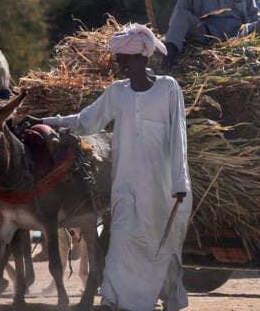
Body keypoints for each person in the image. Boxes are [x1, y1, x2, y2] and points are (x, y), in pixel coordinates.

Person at [39, 24, 191, 311]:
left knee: (162, 247)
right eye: (119, 58)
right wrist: (50, 121)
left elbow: (178, 137)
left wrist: (180, 182)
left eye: (125, 58)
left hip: (164, 188)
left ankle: (171, 298)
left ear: (143, 59)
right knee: (120, 243)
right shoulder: (117, 93)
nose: (120, 63)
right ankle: (112, 299)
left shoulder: (168, 88)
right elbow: (86, 121)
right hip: (125, 184)